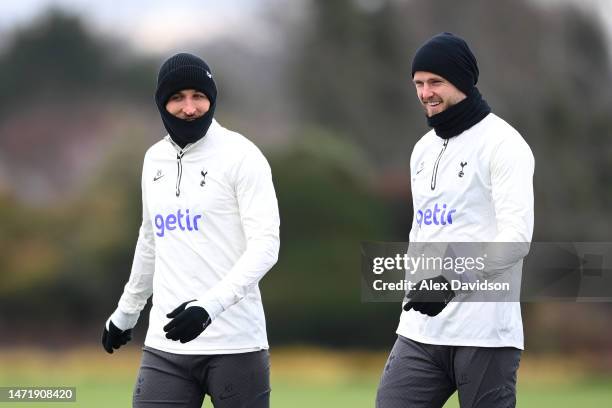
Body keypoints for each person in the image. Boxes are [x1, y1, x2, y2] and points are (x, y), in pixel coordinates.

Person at [101, 53, 280, 408]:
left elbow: (266, 245)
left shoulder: (242, 156)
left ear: (212, 99)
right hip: (166, 348)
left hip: (236, 344)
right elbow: (151, 238)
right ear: (161, 103)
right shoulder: (153, 159)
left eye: (199, 96)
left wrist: (209, 307)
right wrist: (127, 311)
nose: (189, 108)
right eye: (177, 97)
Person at [376, 33, 534, 407]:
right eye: (418, 83)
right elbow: (423, 229)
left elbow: (516, 237)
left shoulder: (504, 144)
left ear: (462, 82)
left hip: (485, 332)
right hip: (421, 330)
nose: (426, 92)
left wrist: (449, 282)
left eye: (436, 82)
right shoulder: (423, 149)